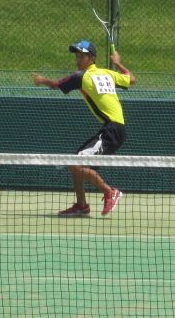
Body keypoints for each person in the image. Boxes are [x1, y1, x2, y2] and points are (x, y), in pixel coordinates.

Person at [33, 40, 136, 216]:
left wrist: (42, 80)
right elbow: (131, 78)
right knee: (74, 163)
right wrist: (117, 63)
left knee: (76, 164)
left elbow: (56, 85)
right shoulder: (108, 73)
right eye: (77, 56)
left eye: (82, 56)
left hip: (112, 130)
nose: (78, 59)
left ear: (92, 59)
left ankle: (110, 192)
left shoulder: (80, 77)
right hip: (114, 129)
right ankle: (82, 205)